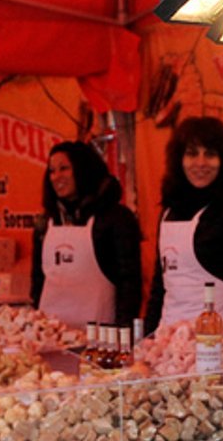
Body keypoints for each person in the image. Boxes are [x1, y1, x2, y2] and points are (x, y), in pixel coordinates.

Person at [144, 115, 223, 330]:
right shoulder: (169, 211)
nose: (200, 163)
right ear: (179, 160)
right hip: (169, 344)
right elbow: (160, 287)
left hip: (220, 345)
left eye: (210, 154)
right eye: (192, 154)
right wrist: (147, 341)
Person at [31, 139, 142, 327]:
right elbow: (37, 281)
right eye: (52, 171)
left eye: (64, 168)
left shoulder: (116, 218)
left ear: (83, 169)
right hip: (52, 336)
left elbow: (129, 283)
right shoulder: (45, 223)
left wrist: (123, 332)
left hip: (102, 337)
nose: (56, 176)